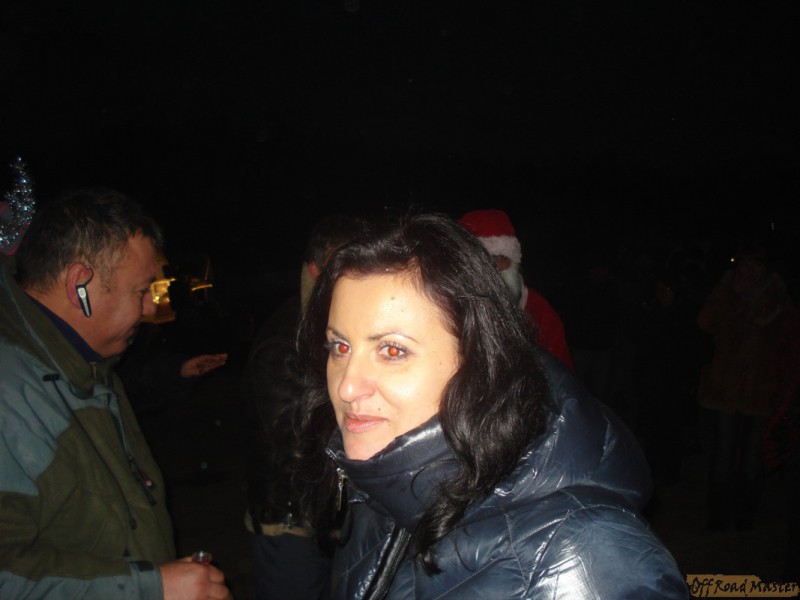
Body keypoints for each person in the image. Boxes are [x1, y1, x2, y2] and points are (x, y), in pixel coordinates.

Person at [292, 212, 688, 599]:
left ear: (479, 360)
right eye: (339, 346)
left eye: (392, 350)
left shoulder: (585, 560)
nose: (346, 386)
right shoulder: (378, 483)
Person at [0, 187, 232, 599]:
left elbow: (102, 405)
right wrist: (148, 588)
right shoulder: (9, 395)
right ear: (80, 286)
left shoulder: (78, 357)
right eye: (141, 291)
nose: (150, 309)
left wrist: (174, 373)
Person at [241, 214, 365, 600]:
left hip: (337, 520)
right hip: (291, 524)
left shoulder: (346, 331)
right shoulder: (285, 339)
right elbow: (294, 445)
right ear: (314, 271)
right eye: (340, 268)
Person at [697, 236, 797, 531]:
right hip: (726, 384)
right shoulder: (728, 292)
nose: (749, 270)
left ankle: (745, 514)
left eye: (755, 265)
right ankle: (718, 514)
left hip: (760, 385)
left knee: (753, 454)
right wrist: (725, 290)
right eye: (744, 264)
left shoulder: (776, 296)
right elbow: (705, 322)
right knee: (724, 451)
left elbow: (786, 336)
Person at [458, 208, 575, 371]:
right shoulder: (448, 308)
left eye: (499, 260)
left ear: (514, 262)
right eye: (481, 261)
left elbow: (562, 377)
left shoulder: (539, 311)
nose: (491, 270)